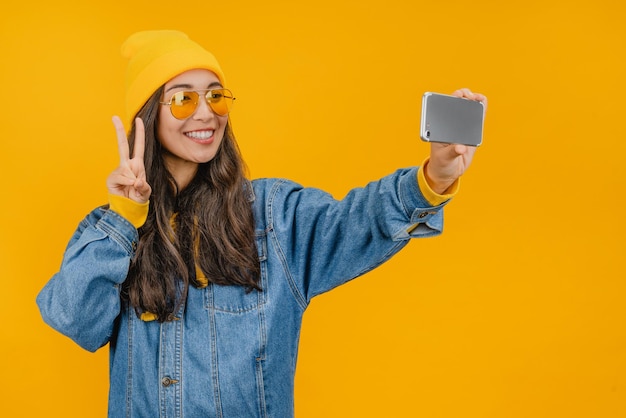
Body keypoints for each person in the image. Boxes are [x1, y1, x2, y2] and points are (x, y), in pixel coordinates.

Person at [36, 30, 487, 417]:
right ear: (149, 117)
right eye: (183, 99)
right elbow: (73, 320)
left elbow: (357, 222)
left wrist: (435, 177)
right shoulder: (111, 231)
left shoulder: (273, 216)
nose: (205, 112)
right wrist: (124, 219)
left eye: (215, 95)